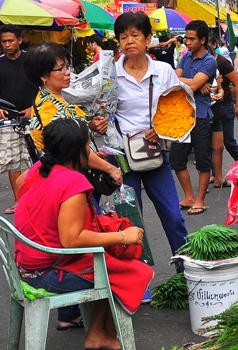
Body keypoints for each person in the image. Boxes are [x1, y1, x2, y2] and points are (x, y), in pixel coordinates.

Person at [14, 118, 152, 347]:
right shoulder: (73, 181)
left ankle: (99, 333)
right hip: (47, 272)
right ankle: (102, 334)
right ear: (77, 150)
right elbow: (72, 239)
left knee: (109, 261)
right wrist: (123, 236)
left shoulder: (39, 169)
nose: (90, 152)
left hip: (26, 264)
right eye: (88, 147)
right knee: (134, 270)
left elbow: (20, 185)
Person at [88, 12, 188, 277]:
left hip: (155, 155)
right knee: (131, 221)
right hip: (122, 159)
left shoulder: (163, 71)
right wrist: (94, 124)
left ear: (148, 39)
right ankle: (137, 279)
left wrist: (162, 129)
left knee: (174, 217)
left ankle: (185, 272)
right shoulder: (109, 74)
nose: (129, 41)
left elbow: (180, 109)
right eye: (123, 37)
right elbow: (97, 112)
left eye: (135, 35)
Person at [22, 42, 122, 183]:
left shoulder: (57, 97)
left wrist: (91, 129)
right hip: (69, 180)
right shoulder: (50, 107)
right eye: (60, 68)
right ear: (43, 76)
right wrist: (110, 169)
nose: (68, 72)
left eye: (67, 66)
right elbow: (74, 150)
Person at [0, 24, 38, 215]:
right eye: (4, 41)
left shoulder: (31, 61)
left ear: (19, 40)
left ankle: (39, 198)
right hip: (9, 119)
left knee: (36, 158)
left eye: (10, 41)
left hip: (33, 118)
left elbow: (43, 85)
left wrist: (34, 108)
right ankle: (19, 200)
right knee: (12, 160)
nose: (7, 44)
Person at [169, 20, 217, 215]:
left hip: (201, 115)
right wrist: (193, 82)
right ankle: (189, 196)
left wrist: (194, 83)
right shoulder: (185, 57)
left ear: (203, 40)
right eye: (186, 38)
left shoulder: (209, 61)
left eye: (191, 39)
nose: (187, 42)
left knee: (203, 160)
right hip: (181, 115)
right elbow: (174, 79)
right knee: (176, 159)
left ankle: (200, 200)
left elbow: (194, 86)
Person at [208, 35, 238, 185]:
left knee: (229, 141)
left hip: (225, 105)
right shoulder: (203, 63)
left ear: (213, 45)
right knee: (212, 143)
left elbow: (237, 83)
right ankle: (214, 175)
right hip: (210, 108)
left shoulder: (222, 62)